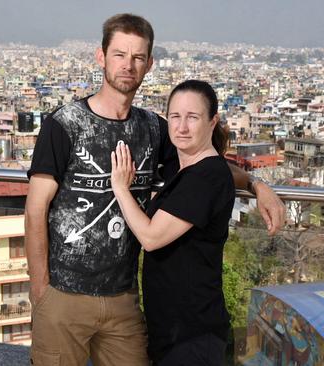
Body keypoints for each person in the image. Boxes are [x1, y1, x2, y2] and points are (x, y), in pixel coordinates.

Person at [25, 14, 285, 366]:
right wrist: (40, 289)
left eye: (137, 57)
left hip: (124, 297)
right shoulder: (65, 124)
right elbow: (36, 207)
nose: (128, 66)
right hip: (65, 294)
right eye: (119, 55)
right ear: (101, 57)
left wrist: (256, 184)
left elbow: (203, 165)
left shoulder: (152, 128)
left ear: (149, 64)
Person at [110, 80, 234, 365]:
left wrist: (120, 187)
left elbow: (151, 237)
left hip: (192, 331)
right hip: (175, 328)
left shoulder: (206, 176)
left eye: (193, 117)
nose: (182, 127)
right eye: (175, 117)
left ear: (213, 121)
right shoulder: (185, 169)